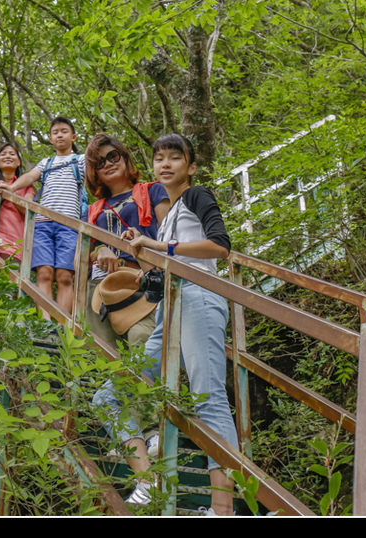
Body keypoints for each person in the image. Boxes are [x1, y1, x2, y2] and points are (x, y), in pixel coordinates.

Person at [92, 134, 239, 516]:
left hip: (199, 299)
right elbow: (172, 257)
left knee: (208, 398)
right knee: (107, 397)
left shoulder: (196, 196)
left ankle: (221, 509)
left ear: (190, 167)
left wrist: (161, 247)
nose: (167, 164)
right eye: (160, 158)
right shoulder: (171, 213)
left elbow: (220, 246)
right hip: (169, 307)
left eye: (176, 158)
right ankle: (147, 480)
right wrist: (145, 249)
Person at [82, 133, 170, 349]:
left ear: (124, 157)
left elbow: (169, 236)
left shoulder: (153, 190)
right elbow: (83, 256)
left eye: (113, 156)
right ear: (94, 171)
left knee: (142, 340)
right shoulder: (91, 211)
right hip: (100, 284)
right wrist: (101, 249)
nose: (108, 164)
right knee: (104, 354)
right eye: (100, 162)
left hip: (141, 278)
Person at [9, 117, 87, 320]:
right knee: (44, 273)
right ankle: (44, 323)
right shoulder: (46, 163)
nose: (59, 135)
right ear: (51, 139)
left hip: (69, 224)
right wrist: (11, 187)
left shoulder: (82, 160)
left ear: (73, 136)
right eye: (55, 132)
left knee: (65, 276)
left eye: (64, 131)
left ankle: (60, 325)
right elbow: (29, 177)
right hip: (43, 224)